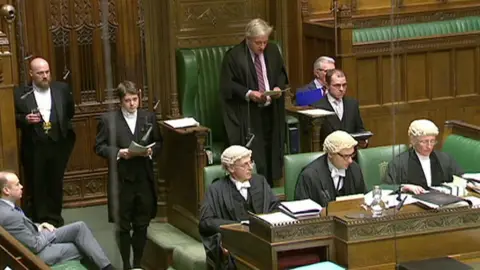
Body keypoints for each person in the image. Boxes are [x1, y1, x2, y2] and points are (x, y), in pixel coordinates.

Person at [94, 80, 162, 269]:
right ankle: (126, 264)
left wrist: (151, 151)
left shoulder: (149, 117)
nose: (132, 104)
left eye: (135, 99)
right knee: (123, 226)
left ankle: (138, 263)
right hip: (122, 180)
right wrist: (119, 152)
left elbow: (159, 143)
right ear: (120, 101)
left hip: (143, 178)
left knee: (142, 224)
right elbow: (99, 147)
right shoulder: (108, 120)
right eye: (127, 100)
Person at [219, 18, 288, 186]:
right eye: (258, 43)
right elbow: (227, 85)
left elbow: (280, 74)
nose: (262, 47)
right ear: (248, 39)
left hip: (271, 111)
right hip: (248, 114)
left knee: (272, 153)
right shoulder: (234, 56)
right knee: (256, 157)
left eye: (265, 42)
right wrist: (249, 93)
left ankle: (271, 189)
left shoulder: (272, 51)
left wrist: (278, 87)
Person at [0, 171, 114, 269]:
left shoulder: (6, 206)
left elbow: (23, 226)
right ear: (6, 190)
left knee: (79, 227)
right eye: (17, 185)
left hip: (37, 236)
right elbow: (34, 246)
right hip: (36, 254)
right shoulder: (9, 216)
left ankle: (107, 268)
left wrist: (40, 226)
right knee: (82, 248)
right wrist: (47, 233)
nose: (21, 186)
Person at [14, 57, 76, 227]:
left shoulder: (61, 89)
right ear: (31, 74)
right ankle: (40, 220)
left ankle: (56, 218)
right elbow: (12, 119)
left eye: (47, 72)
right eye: (40, 73)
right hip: (35, 147)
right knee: (37, 183)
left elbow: (70, 111)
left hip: (58, 144)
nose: (45, 76)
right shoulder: (20, 93)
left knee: (56, 182)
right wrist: (25, 119)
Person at [199, 145, 279, 269]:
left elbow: (275, 207)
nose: (250, 167)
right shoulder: (216, 190)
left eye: (250, 162)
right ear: (231, 168)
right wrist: (237, 227)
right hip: (235, 244)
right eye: (245, 164)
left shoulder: (260, 182)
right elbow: (206, 222)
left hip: (263, 239)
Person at [383, 119, 464, 194]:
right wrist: (404, 187)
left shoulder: (444, 159)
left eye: (432, 141)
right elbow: (385, 187)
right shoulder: (399, 163)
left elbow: (460, 177)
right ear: (413, 141)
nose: (429, 146)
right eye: (424, 142)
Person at [295, 131, 366, 207]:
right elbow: (302, 209)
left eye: (352, 155)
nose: (350, 160)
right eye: (345, 156)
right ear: (330, 154)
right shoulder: (309, 176)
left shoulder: (355, 169)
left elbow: (363, 199)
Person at [311, 69, 367, 148]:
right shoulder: (317, 106)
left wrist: (364, 141)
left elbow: (360, 129)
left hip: (350, 155)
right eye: (337, 85)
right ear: (327, 85)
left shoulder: (352, 104)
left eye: (344, 85)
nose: (341, 89)